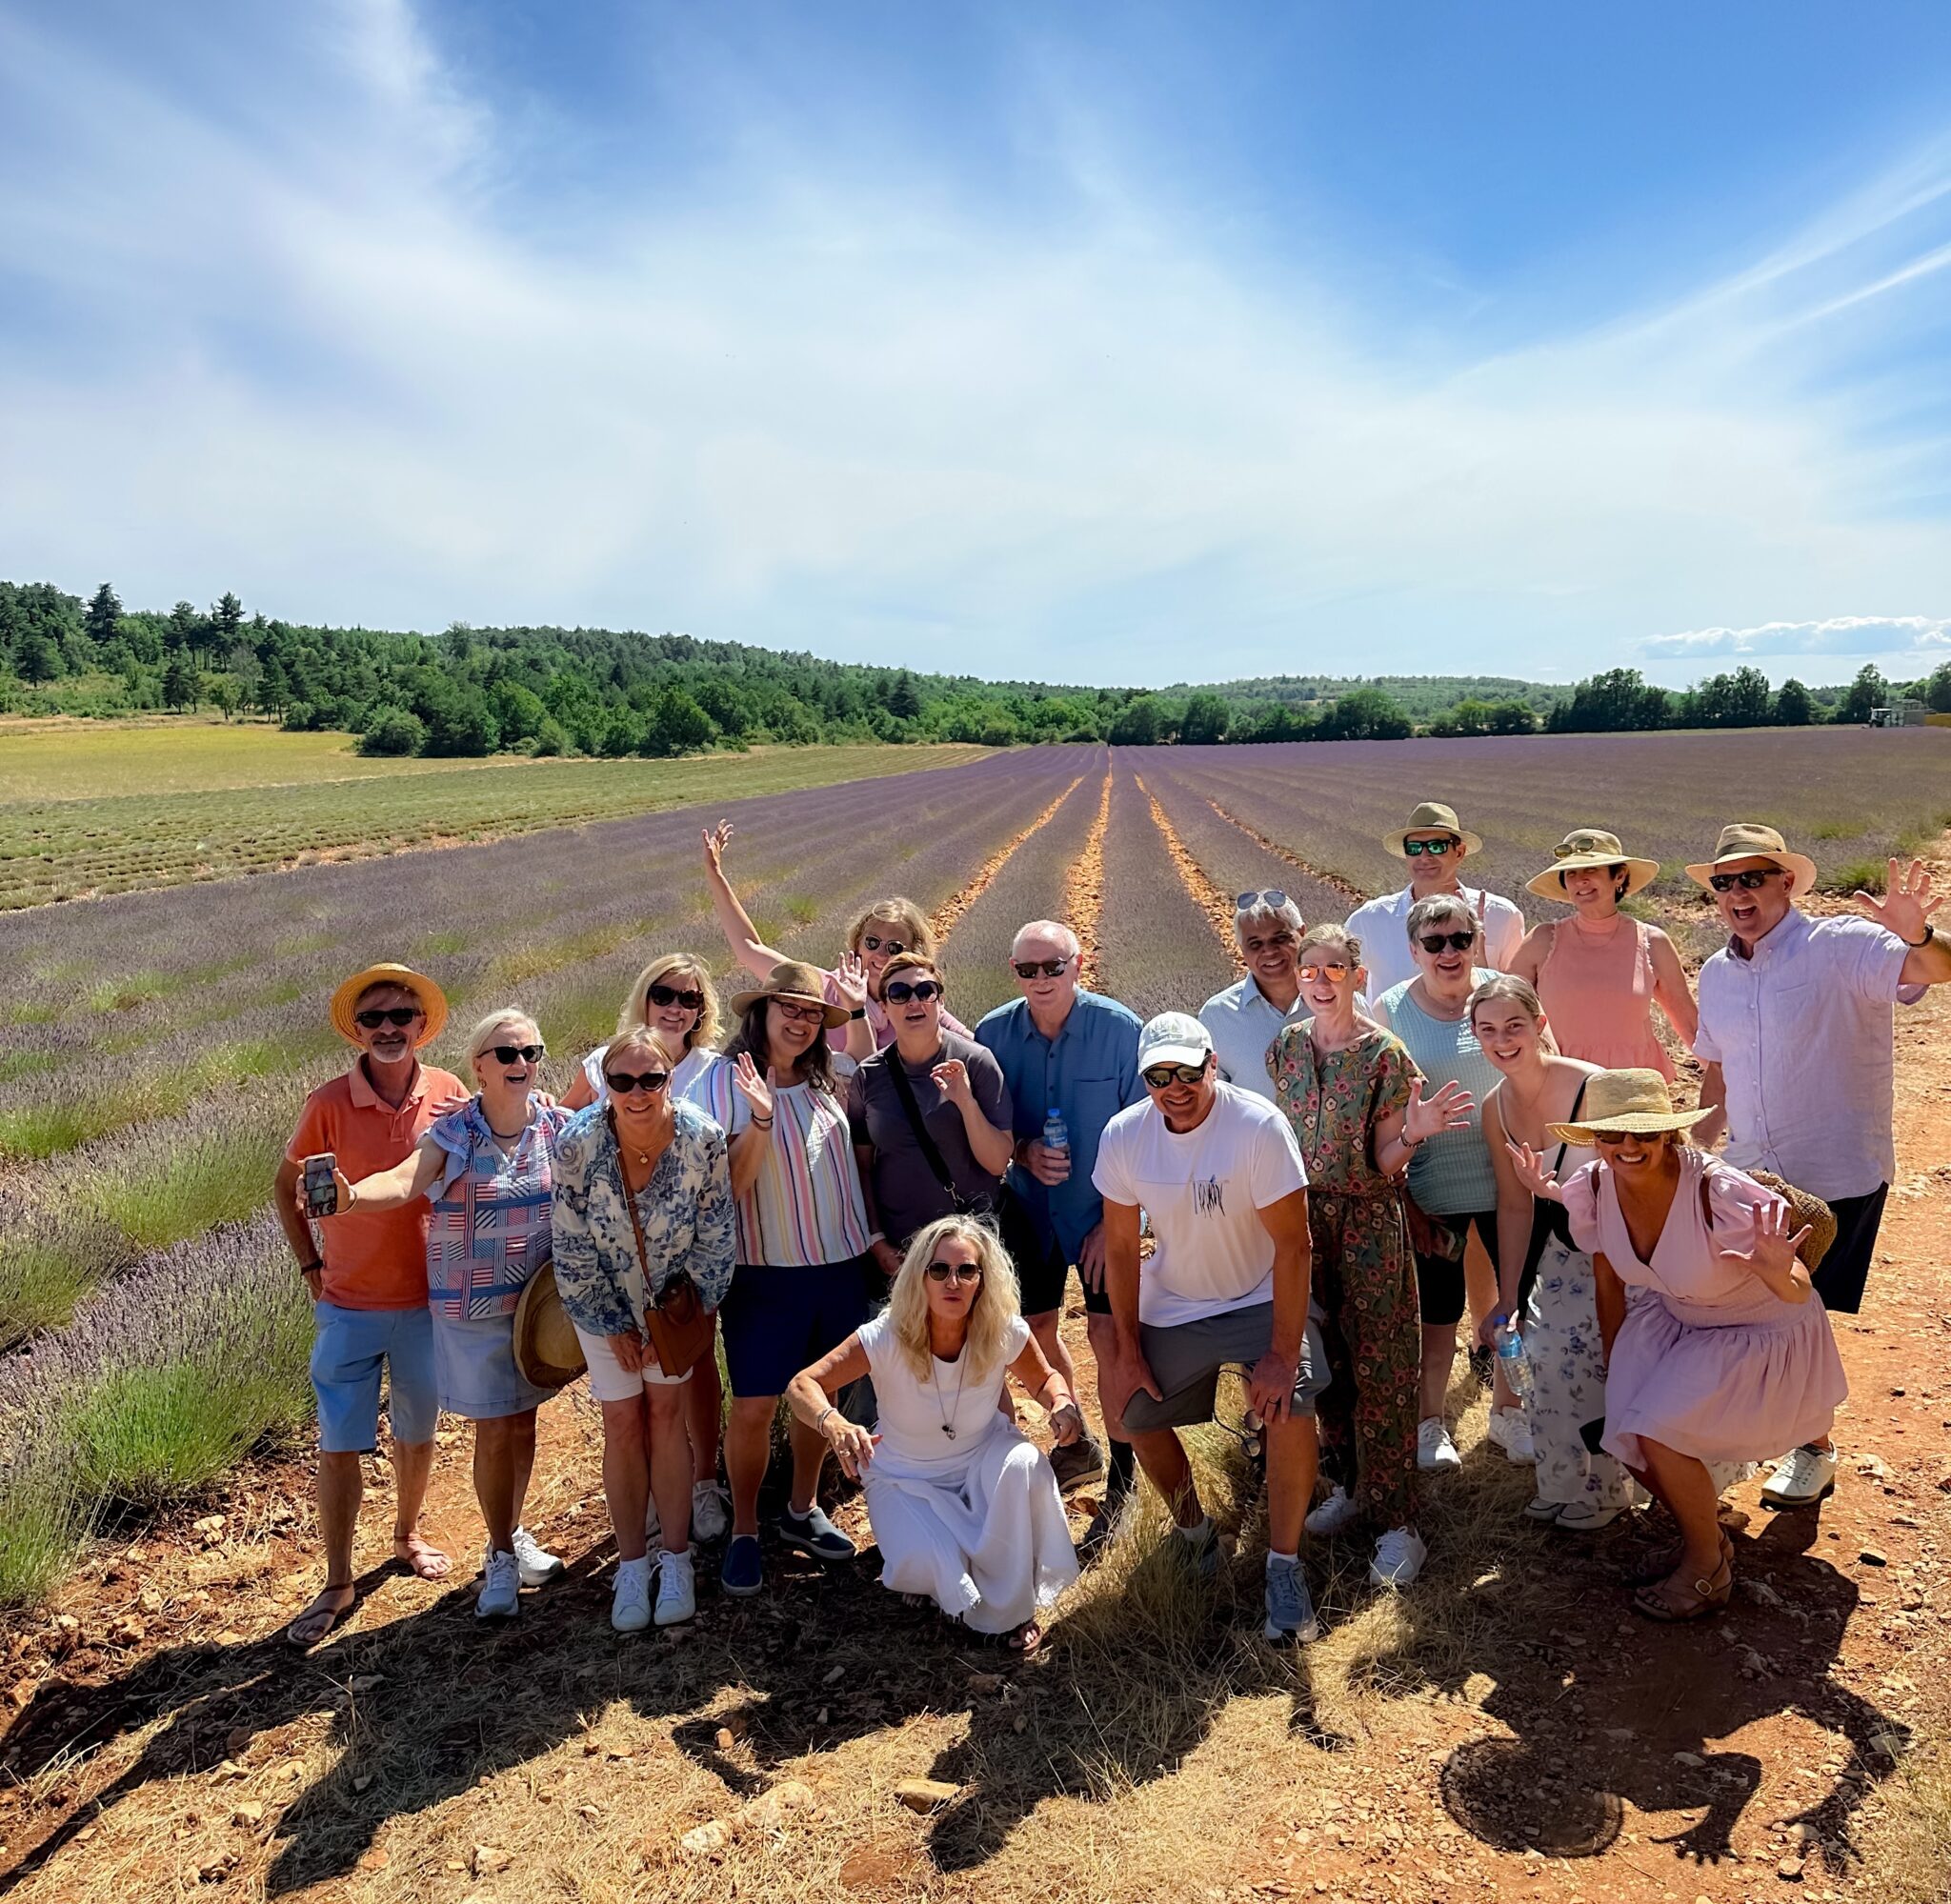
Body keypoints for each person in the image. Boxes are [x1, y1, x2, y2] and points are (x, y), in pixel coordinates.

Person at [1510, 1069, 1848, 1620]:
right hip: (1679, 1318)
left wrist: (1776, 1271)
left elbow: (1796, 1290)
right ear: (1595, 1140)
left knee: (1656, 1432)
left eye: (1643, 1132)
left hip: (1758, 1327)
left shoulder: (1718, 1191)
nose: (1627, 1145)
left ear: (1668, 1134)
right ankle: (1705, 1538)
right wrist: (1616, 1361)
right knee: (1627, 1429)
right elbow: (1607, 1278)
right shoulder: (1595, 1186)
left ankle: (1706, 1569)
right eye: (1611, 1134)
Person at [1690, 830, 1948, 1508]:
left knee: (1798, 1313)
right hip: (1750, 1171)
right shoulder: (1715, 974)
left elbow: (1938, 968)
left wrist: (1919, 935)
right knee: (1747, 1309)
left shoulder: (1841, 945)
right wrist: (1696, 1148)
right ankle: (1753, 1437)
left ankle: (1812, 1449)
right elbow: (1717, 1071)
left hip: (1834, 1170)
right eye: (1724, 882)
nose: (1737, 893)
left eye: (1752, 877)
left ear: (1787, 882)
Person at [311, 1008, 573, 1620]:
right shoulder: (455, 1132)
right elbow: (406, 1181)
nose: (521, 1063)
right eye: (506, 1054)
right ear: (478, 1066)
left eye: (531, 1053)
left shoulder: (555, 1125)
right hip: (473, 1308)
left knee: (525, 1424)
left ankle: (511, 1533)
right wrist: (352, 1195)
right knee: (496, 1428)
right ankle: (500, 1556)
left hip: (535, 1309)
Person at [1095, 1013, 1324, 1643]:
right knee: (1133, 1412)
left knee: (1292, 1403)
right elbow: (1121, 1249)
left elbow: (1294, 1246)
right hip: (1177, 1301)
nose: (1175, 1087)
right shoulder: (1124, 1136)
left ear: (1213, 1064)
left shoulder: (1258, 1126)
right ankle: (1196, 1533)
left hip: (1260, 1293)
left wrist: (1282, 1354)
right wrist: (1127, 1350)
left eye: (1188, 1071)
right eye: (1158, 1076)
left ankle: (1284, 1565)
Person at [1269, 925, 1470, 1587]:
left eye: (1334, 968)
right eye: (1310, 969)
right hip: (1304, 1223)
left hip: (1368, 1223)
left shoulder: (1384, 1054)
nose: (1320, 981)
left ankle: (1398, 1521)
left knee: (1383, 1367)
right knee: (1325, 1363)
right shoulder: (1286, 1049)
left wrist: (1414, 1131)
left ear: (1358, 976)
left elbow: (1384, 1162)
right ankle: (1351, 1486)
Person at [274, 964, 465, 1648]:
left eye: (400, 1017)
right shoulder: (327, 1102)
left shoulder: (448, 1092)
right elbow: (286, 1185)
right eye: (373, 1018)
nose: (388, 1028)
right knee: (338, 1443)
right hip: (349, 1303)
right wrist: (310, 1264)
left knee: (418, 1430)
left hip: (426, 1301)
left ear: (421, 1025)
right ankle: (338, 1579)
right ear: (356, 1030)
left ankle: (407, 1534)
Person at [786, 1216, 1084, 1652]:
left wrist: (1060, 1402)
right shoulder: (886, 1335)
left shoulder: (1002, 1329)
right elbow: (802, 1385)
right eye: (940, 1269)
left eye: (967, 1270)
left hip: (980, 1460)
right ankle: (943, 1580)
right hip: (904, 1477)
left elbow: (1044, 1380)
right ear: (920, 1277)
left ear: (983, 1280)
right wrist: (833, 1422)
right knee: (923, 1560)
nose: (953, 1282)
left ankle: (1010, 1611)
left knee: (1026, 1463)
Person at [693, 961, 880, 1597]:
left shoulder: (828, 1078)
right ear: (762, 1013)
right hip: (764, 1274)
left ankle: (802, 1508)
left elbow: (865, 1065)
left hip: (838, 1266)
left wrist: (857, 1009)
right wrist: (761, 1123)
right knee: (754, 1406)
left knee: (819, 1395)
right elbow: (724, 1186)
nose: (800, 1022)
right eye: (789, 1009)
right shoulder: (723, 1083)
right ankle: (746, 1529)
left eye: (811, 1013)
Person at [551, 1025, 736, 1631]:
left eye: (650, 1079)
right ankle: (633, 1564)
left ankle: (676, 1558)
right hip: (602, 1307)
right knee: (622, 1424)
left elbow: (716, 1237)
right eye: (622, 1080)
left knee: (666, 1417)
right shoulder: (578, 1144)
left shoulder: (702, 1138)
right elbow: (571, 1245)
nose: (637, 1093)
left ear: (669, 1079)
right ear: (605, 1083)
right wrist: (613, 1325)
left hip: (673, 1311)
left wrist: (681, 1318)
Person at [974, 919, 1139, 1540]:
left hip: (1101, 1212)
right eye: (1028, 969)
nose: (1041, 978)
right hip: (1028, 1211)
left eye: (1054, 966)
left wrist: (1117, 1224)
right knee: (1033, 1330)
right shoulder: (992, 1033)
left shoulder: (1120, 1030)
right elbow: (986, 1128)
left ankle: (1123, 1482)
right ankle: (1077, 1443)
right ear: (1013, 971)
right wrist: (1022, 1150)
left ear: (1079, 964)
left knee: (1108, 1335)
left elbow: (1144, 1134)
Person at [1367, 896, 1526, 1472]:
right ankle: (1429, 1424)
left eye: (1460, 939)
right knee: (1437, 1317)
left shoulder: (1503, 996)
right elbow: (1382, 1105)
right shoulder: (1389, 1009)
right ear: (1414, 951)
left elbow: (1541, 1066)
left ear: (1477, 941)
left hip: (1510, 1184)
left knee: (1513, 1309)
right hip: (1434, 1187)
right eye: (1434, 943)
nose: (1449, 952)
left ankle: (1509, 1413)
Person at [1472, 976, 1632, 1530]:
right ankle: (1563, 1481)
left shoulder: (1593, 1087)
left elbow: (1634, 1182)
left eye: (1514, 1026)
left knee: (1597, 1356)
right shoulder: (1495, 1108)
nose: (1502, 1040)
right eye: (1488, 1030)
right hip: (1565, 1251)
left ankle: (1609, 1490)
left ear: (1539, 1025)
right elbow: (1515, 1207)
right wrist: (1508, 1297)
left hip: (1620, 1250)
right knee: (1541, 1353)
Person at [701, 819, 968, 1060]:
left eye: (894, 947)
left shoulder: (918, 1005)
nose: (881, 954)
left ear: (911, 954)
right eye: (872, 943)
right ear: (858, 945)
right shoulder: (824, 988)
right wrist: (715, 874)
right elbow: (749, 948)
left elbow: (974, 1044)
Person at [848, 952, 1015, 1255]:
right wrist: (876, 1237)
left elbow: (997, 1162)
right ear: (883, 1007)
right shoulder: (868, 1076)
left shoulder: (976, 1062)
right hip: (901, 1248)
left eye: (925, 991)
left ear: (941, 1001)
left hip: (969, 1246)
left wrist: (966, 1102)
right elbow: (862, 1167)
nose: (914, 1002)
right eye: (900, 993)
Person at [1506, 829, 1696, 1076]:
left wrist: (1724, 1083)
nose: (1580, 881)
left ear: (1619, 876)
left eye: (1591, 870)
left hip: (1633, 1086)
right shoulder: (1542, 941)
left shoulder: (1652, 942)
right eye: (1571, 873)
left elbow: (1690, 1025)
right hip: (1560, 1083)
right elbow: (1504, 1011)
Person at [1343, 801, 1525, 1003]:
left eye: (1436, 847)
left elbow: (1521, 997)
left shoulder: (1501, 916)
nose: (1424, 856)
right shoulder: (1369, 920)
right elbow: (1337, 984)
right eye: (1414, 848)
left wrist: (1485, 980)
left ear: (1459, 852)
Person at [1199, 891, 1311, 1101]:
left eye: (1280, 938)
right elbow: (1213, 1103)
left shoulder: (1344, 1003)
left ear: (1303, 934)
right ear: (1242, 950)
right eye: (1255, 944)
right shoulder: (1217, 1017)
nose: (1269, 951)